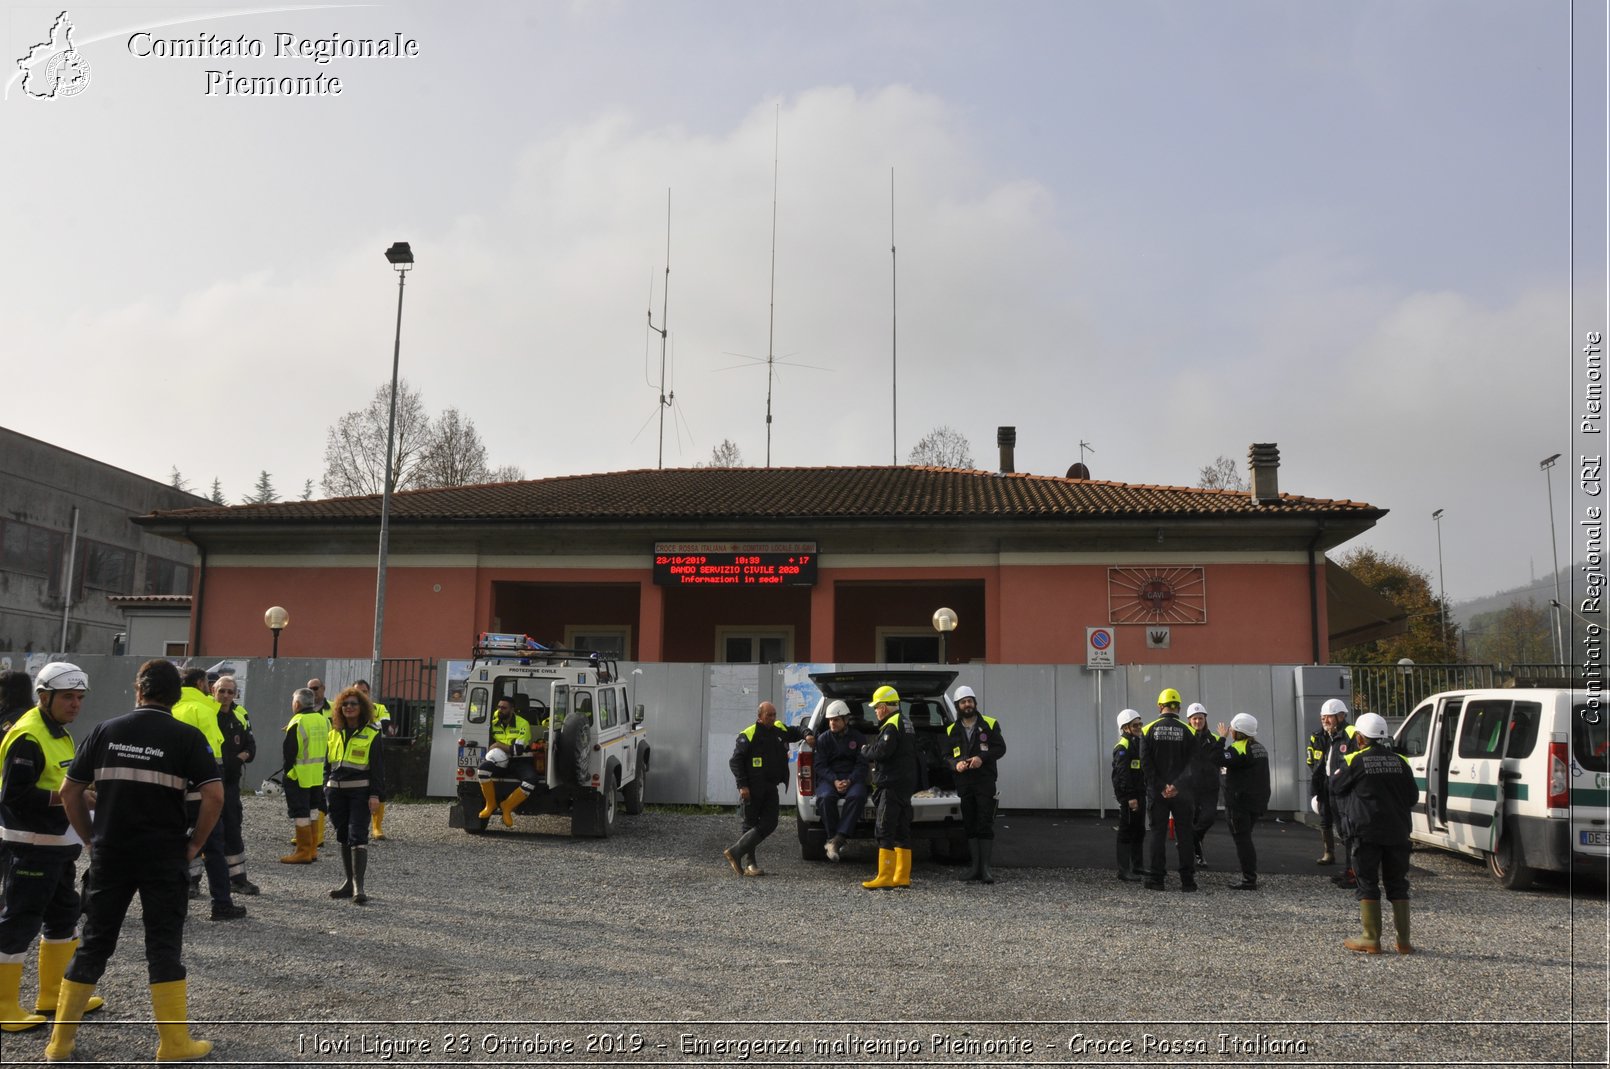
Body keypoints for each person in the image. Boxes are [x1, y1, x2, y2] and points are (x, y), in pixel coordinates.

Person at [44, 658, 221, 1062]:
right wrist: (195, 845)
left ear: (137, 691)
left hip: (111, 853)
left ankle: (60, 1043)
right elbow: (215, 796)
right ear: (176, 698)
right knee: (163, 945)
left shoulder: (106, 731)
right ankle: (174, 1044)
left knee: (93, 943)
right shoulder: (187, 737)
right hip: (164, 855)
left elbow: (70, 792)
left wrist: (91, 840)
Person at [0, 663, 104, 1032]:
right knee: (18, 923)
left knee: (62, 919)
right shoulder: (28, 735)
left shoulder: (59, 733)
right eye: (67, 697)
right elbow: (13, 795)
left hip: (58, 847)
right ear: (44, 697)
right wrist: (67, 798)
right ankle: (4, 1006)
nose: (75, 704)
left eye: (79, 697)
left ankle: (51, 995)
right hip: (29, 846)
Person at [1329, 712, 1418, 954]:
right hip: (1398, 831)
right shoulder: (1401, 761)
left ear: (1360, 737)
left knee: (1367, 881)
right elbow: (1413, 797)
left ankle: (1371, 938)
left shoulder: (1355, 760)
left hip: (1366, 831)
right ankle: (1404, 941)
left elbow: (1335, 786)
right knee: (1398, 883)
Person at [172, 669, 244, 920]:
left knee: (173, 844)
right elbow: (214, 755)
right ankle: (222, 903)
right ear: (203, 684)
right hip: (201, 789)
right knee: (213, 845)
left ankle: (175, 903)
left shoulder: (171, 708)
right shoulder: (204, 710)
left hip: (173, 790)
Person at [722, 701, 806, 877]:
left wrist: (808, 733)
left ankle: (736, 851)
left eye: (774, 714)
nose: (773, 718)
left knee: (771, 822)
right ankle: (750, 864)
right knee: (750, 822)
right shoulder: (749, 734)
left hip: (770, 786)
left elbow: (796, 731)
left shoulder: (778, 729)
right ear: (760, 716)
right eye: (769, 715)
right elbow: (735, 761)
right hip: (752, 787)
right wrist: (742, 785)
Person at [1139, 687, 1210, 892]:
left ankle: (1156, 879)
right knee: (1185, 835)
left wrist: (1162, 786)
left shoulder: (1147, 730)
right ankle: (1188, 881)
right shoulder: (1189, 731)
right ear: (1178, 707)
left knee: (1158, 834)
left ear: (1160, 706)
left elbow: (1146, 764)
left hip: (1157, 792)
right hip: (1183, 793)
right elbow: (1194, 764)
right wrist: (1177, 786)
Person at [324, 687, 385, 905]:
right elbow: (327, 764)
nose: (349, 707)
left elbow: (378, 769)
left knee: (357, 834)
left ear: (362, 708)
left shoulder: (372, 734)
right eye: (345, 704)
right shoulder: (333, 732)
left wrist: (375, 795)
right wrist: (325, 787)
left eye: (353, 704)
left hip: (360, 792)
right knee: (342, 835)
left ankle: (359, 886)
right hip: (336, 793)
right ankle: (348, 883)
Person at [946, 684, 1006, 884]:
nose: (967, 704)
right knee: (970, 824)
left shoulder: (989, 723)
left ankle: (986, 869)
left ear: (975, 703)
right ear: (957, 706)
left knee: (985, 822)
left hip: (984, 782)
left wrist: (983, 758)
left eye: (970, 701)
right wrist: (956, 765)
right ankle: (974, 868)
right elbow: (945, 756)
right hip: (964, 783)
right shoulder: (951, 729)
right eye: (963, 702)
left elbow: (1000, 748)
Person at [861, 686, 918, 890]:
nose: (875, 711)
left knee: (884, 829)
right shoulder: (906, 722)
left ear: (884, 707)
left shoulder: (891, 726)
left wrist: (866, 750)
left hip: (891, 785)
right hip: (904, 784)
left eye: (876, 707)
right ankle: (902, 876)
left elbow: (882, 752)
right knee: (902, 830)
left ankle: (884, 876)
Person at [212, 676, 258, 897]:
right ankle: (192, 881)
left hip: (230, 783)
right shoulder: (205, 714)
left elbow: (251, 746)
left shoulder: (240, 715)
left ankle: (238, 879)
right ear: (214, 691)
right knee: (198, 830)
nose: (226, 696)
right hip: (206, 784)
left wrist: (241, 757)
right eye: (222, 691)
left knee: (232, 828)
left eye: (230, 692)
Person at [1215, 713, 1271, 891]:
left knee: (1242, 840)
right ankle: (1250, 876)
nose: (1229, 730)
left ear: (1237, 731)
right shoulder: (1259, 747)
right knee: (1245, 837)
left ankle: (1249, 878)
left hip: (1239, 803)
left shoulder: (1238, 748)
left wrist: (1221, 739)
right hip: (1257, 801)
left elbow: (1217, 758)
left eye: (1232, 728)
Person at [1311, 698, 1360, 888]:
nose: (1325, 720)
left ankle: (1353, 872)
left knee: (1348, 832)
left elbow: (1353, 764)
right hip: (1330, 787)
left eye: (1329, 717)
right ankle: (1349, 869)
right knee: (1340, 830)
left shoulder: (1351, 734)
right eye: (1323, 717)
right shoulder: (1327, 736)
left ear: (1341, 716)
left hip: (1344, 791)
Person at [811, 700, 867, 862]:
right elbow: (819, 766)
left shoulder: (858, 738)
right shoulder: (823, 739)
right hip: (829, 779)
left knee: (857, 797)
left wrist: (850, 780)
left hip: (852, 778)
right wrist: (835, 780)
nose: (832, 723)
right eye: (830, 720)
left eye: (836, 719)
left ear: (845, 720)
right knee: (825, 798)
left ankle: (838, 840)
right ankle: (832, 837)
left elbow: (862, 764)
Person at [279, 688, 328, 865]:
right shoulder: (322, 720)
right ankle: (313, 849)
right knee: (313, 811)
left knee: (300, 813)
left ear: (297, 704)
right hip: (316, 775)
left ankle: (303, 851)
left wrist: (287, 773)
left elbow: (289, 752)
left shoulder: (297, 721)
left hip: (299, 775)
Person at [476, 696, 537, 828]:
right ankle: (490, 804)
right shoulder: (493, 722)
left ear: (512, 709)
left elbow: (518, 750)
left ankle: (507, 807)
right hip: (500, 761)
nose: (500, 710)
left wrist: (498, 744)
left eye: (504, 708)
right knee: (482, 769)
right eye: (498, 707)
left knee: (531, 781)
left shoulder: (523, 724)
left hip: (520, 761)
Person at [1111, 709, 1146, 882]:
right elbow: (1122, 775)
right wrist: (1130, 797)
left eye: (1140, 724)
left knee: (1139, 831)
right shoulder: (1122, 747)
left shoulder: (1137, 743)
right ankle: (1123, 870)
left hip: (1140, 794)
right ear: (1125, 728)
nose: (1139, 727)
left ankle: (1137, 866)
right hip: (1130, 797)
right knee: (1126, 831)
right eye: (1135, 725)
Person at [354, 680, 391, 840]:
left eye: (364, 691)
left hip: (374, 750)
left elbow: (385, 723)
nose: (361, 694)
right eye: (358, 691)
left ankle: (377, 827)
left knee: (378, 785)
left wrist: (367, 726)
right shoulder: (348, 707)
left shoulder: (379, 708)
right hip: (354, 753)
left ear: (369, 693)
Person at [1185, 702, 1221, 867]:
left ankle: (1189, 839)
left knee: (1208, 818)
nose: (1198, 721)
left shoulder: (1213, 738)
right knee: (1193, 819)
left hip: (1209, 787)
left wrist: (1222, 739)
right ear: (1189, 720)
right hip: (1191, 787)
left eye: (1200, 718)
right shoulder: (1185, 737)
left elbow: (1218, 758)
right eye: (1194, 719)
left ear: (1205, 719)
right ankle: (1198, 854)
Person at [302, 679, 332, 849]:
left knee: (320, 795)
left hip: (328, 756)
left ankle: (318, 836)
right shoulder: (304, 709)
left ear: (323, 689)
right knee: (305, 796)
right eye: (309, 689)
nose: (312, 691)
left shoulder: (333, 708)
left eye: (315, 688)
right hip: (308, 759)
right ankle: (304, 833)